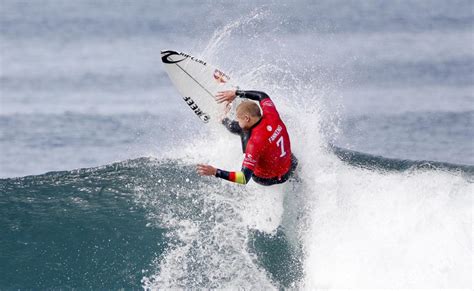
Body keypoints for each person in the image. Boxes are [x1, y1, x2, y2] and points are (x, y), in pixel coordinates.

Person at [197, 89, 298, 185]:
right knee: (247, 130)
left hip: (268, 179)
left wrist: (215, 171)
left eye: (238, 119)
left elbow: (243, 178)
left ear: (246, 118)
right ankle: (296, 177)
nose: (238, 122)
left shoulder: (254, 143)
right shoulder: (272, 114)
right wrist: (236, 93)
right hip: (290, 165)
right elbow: (262, 95)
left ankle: (223, 119)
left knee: (243, 130)